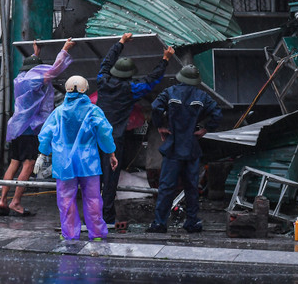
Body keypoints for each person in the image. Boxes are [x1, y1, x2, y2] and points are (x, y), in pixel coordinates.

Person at [97, 32, 174, 224]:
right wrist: (165, 59)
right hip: (114, 140)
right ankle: (106, 217)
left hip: (95, 136)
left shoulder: (102, 81)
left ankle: (92, 215)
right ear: (130, 75)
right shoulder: (131, 89)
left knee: (93, 177)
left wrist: (121, 42)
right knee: (110, 180)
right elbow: (152, 81)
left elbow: (106, 62)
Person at [0, 38, 75, 216]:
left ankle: (2, 200)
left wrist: (35, 53)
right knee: (28, 164)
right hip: (29, 129)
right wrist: (65, 49)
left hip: (16, 128)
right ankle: (16, 202)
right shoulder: (34, 80)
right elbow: (53, 70)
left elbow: (33, 68)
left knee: (14, 163)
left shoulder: (20, 78)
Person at [37, 75, 118, 241]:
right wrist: (111, 153)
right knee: (93, 199)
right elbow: (104, 133)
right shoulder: (93, 111)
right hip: (89, 162)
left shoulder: (58, 112)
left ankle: (70, 234)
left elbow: (45, 135)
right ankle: (96, 233)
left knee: (66, 199)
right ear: (85, 89)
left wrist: (42, 154)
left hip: (63, 163)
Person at [146, 64, 222, 234]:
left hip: (173, 147)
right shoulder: (202, 96)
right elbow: (217, 113)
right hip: (191, 148)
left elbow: (155, 108)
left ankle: (159, 223)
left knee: (166, 187)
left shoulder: (169, 92)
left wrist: (160, 126)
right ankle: (192, 222)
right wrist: (205, 128)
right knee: (191, 187)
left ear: (180, 77)